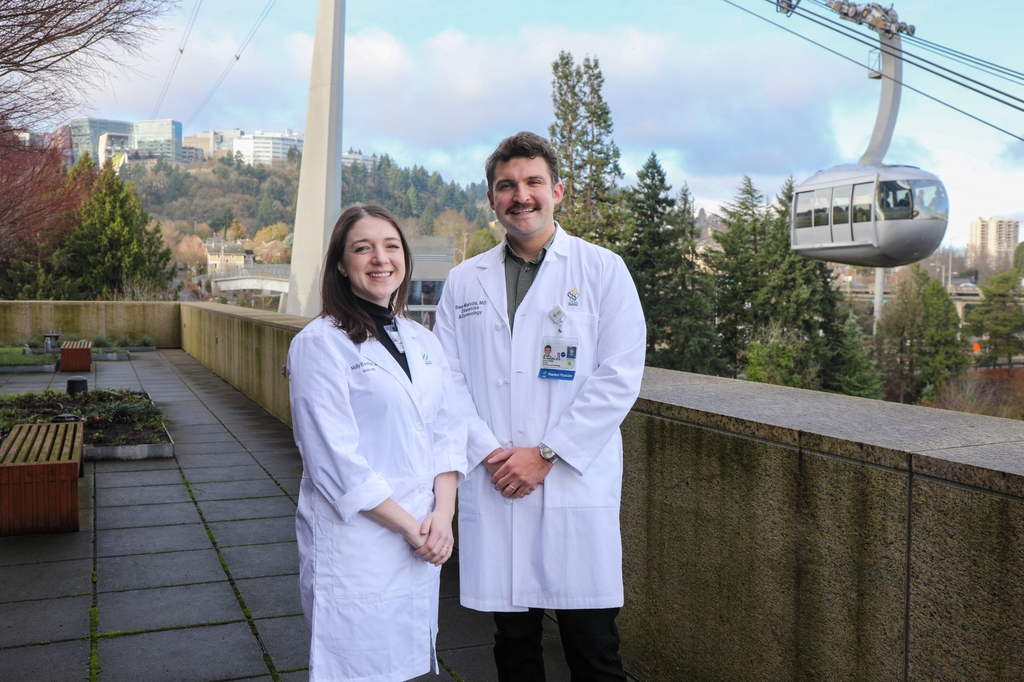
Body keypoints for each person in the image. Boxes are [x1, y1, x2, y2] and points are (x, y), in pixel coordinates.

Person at [435, 131, 646, 681]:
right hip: (498, 478)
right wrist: (490, 453)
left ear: (557, 191)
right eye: (506, 186)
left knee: (594, 648)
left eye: (532, 183)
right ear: (491, 199)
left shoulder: (603, 271)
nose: (520, 196)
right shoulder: (464, 282)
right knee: (515, 646)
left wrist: (547, 454)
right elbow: (446, 380)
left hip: (572, 483)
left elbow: (619, 375)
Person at [288, 204, 467, 682]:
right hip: (361, 543)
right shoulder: (319, 343)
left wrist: (443, 517)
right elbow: (335, 463)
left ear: (404, 258)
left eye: (390, 246)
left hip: (423, 535)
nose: (380, 258)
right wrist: (414, 529)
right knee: (358, 668)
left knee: (407, 666)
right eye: (362, 248)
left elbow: (446, 435)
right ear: (341, 265)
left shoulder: (422, 340)